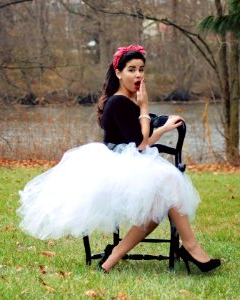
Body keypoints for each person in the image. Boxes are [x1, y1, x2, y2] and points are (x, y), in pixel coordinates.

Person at [17, 44, 221, 274]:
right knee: (170, 181)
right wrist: (146, 109)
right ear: (118, 73)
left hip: (128, 160)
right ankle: (190, 247)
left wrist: (159, 125)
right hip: (116, 167)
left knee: (161, 199)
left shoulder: (127, 101)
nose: (138, 75)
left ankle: (113, 259)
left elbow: (138, 142)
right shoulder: (118, 102)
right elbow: (141, 143)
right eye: (132, 69)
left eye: (141, 69)